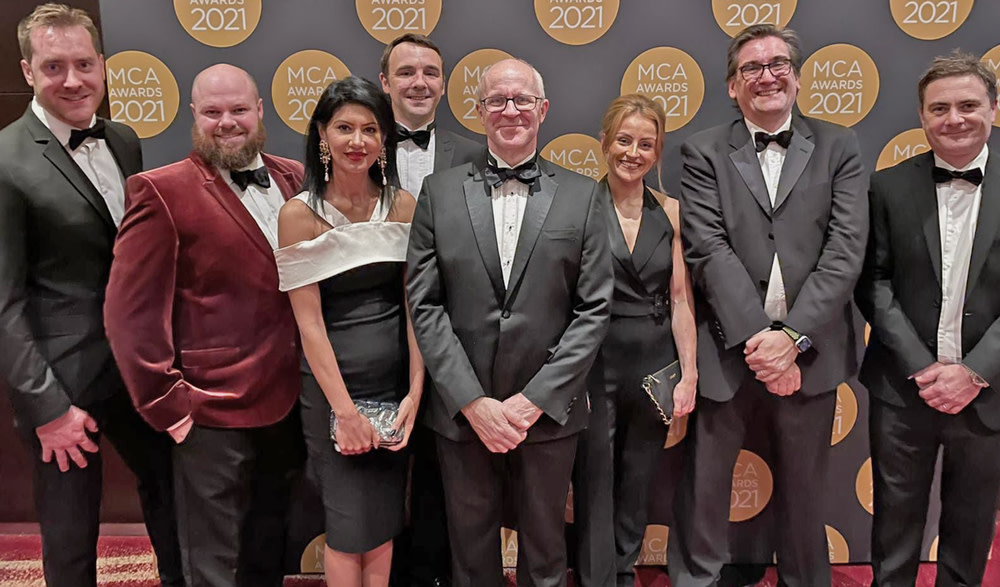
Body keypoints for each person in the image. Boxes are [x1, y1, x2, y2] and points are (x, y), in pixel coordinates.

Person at [667, 24, 868, 587]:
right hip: (728, 348)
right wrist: (762, 340)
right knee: (706, 488)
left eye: (779, 64)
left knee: (806, 495)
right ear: (732, 86)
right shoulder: (703, 150)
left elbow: (845, 250)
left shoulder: (840, 146)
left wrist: (793, 338)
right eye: (751, 68)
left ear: (797, 79)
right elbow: (707, 247)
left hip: (812, 351)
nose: (767, 76)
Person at [406, 57, 613, 587]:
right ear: (479, 111)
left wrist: (533, 401)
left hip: (548, 414)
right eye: (497, 100)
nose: (510, 110)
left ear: (543, 109)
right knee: (470, 559)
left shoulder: (584, 194)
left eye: (522, 100)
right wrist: (472, 402)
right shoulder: (437, 192)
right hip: (463, 414)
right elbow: (425, 305)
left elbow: (593, 309)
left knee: (545, 558)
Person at [0, 4, 181, 586]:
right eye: (54, 66)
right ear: (28, 71)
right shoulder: (5, 161)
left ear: (103, 65)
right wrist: (47, 410)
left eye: (84, 64)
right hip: (62, 383)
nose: (73, 80)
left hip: (138, 369)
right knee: (71, 535)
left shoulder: (124, 139)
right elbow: (3, 304)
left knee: (173, 504)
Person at [104, 64, 305, 587]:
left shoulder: (295, 178)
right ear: (194, 115)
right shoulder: (159, 190)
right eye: (213, 112)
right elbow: (130, 314)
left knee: (267, 552)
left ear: (260, 110)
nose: (227, 122)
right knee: (213, 565)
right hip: (208, 411)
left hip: (290, 405)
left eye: (238, 109)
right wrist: (168, 405)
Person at [856, 51, 1000, 587]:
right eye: (939, 108)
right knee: (893, 528)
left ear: (993, 107)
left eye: (968, 105)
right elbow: (873, 282)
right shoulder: (887, 186)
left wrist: (974, 371)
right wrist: (922, 366)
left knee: (971, 525)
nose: (954, 119)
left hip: (988, 390)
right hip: (902, 388)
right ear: (921, 115)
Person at [274, 75, 421, 587]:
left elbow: (415, 309)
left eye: (370, 129)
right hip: (333, 396)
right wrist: (345, 413)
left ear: (384, 139)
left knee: (382, 521)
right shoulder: (298, 215)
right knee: (347, 527)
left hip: (396, 391)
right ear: (322, 134)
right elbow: (309, 324)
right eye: (344, 128)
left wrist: (416, 392)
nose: (358, 141)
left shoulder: (403, 206)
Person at [571, 94, 697, 587]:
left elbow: (681, 299)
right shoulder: (579, 206)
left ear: (657, 150)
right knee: (593, 476)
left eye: (646, 144)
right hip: (594, 359)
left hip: (654, 362)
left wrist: (689, 373)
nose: (633, 153)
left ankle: (623, 571)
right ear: (605, 142)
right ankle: (595, 577)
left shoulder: (671, 211)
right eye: (624, 140)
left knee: (639, 475)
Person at [378, 33, 482, 587]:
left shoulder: (473, 154)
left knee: (448, 469)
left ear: (443, 85)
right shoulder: (358, 147)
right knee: (380, 468)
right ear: (384, 83)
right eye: (406, 72)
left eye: (430, 73)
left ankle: (437, 573)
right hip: (377, 332)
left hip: (453, 336)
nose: (419, 83)